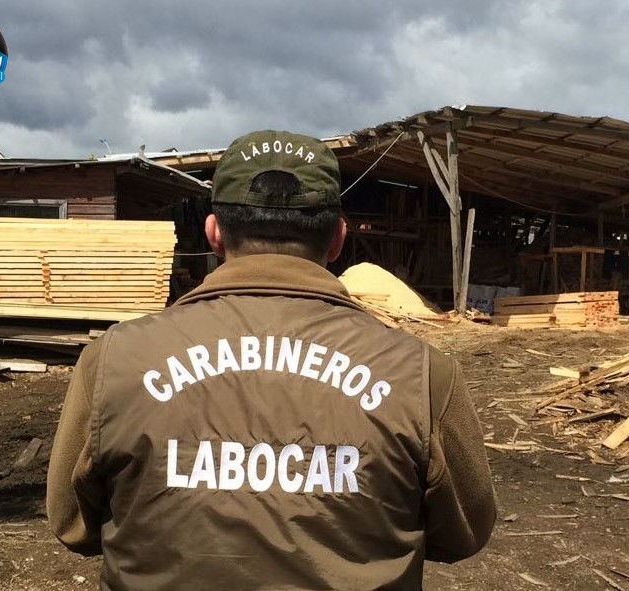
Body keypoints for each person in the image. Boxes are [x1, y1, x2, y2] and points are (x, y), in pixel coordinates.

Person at [47, 130, 497, 590]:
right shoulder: (421, 375)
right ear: (339, 239)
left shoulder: (114, 361)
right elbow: (463, 533)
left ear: (214, 233)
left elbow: (72, 524)